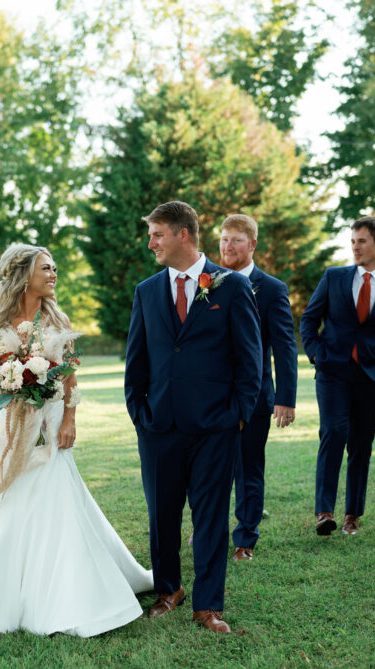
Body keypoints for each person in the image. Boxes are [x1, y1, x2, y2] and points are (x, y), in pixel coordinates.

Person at [0, 244, 153, 644]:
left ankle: (64, 591)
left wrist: (70, 419)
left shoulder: (59, 319)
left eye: (55, 267)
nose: (54, 273)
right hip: (9, 423)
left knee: (56, 497)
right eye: (46, 268)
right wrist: (10, 382)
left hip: (52, 422)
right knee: (7, 499)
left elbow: (71, 376)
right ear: (24, 274)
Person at [124, 201, 261, 634]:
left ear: (184, 234)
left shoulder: (232, 287)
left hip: (216, 427)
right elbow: (136, 362)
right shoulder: (147, 291)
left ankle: (208, 605)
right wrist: (139, 413)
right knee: (162, 515)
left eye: (157, 235)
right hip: (159, 425)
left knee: (210, 516)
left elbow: (250, 359)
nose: (151, 244)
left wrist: (237, 415)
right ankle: (169, 590)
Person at [299, 216, 375, 536]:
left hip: (372, 376)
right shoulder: (334, 277)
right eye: (352, 241)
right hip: (332, 371)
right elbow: (309, 320)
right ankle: (324, 511)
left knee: (361, 444)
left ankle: (352, 514)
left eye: (361, 241)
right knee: (334, 432)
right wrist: (315, 354)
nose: (355, 247)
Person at [218, 214, 298, 559]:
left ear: (252, 244)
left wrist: (286, 398)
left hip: (254, 396)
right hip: (212, 396)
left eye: (236, 240)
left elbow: (284, 347)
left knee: (249, 467)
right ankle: (209, 529)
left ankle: (245, 538)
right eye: (223, 239)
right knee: (210, 469)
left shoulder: (272, 289)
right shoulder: (209, 282)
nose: (227, 246)